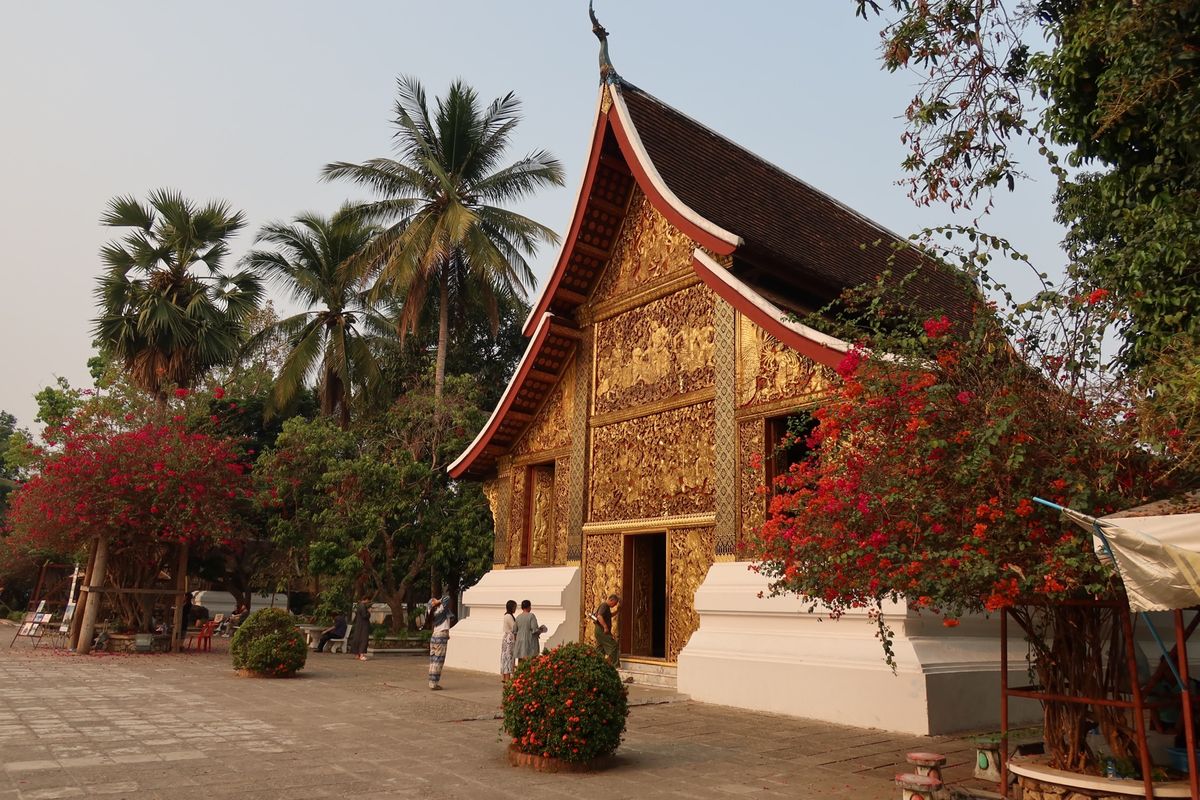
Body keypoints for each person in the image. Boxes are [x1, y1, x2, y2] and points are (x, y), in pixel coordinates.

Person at [427, 594, 455, 690]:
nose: (436, 600)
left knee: (433, 660)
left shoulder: (431, 611)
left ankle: (431, 681)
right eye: (434, 600)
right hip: (441, 636)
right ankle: (434, 683)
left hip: (435, 635)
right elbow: (447, 597)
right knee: (438, 661)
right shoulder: (441, 609)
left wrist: (435, 602)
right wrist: (438, 601)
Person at [592, 593, 621, 670]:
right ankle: (615, 666)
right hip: (601, 630)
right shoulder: (604, 605)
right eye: (614, 603)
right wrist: (605, 627)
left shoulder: (606, 607)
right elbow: (599, 616)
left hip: (599, 630)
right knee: (613, 645)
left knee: (600, 649)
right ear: (611, 600)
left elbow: (609, 615)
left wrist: (617, 611)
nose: (614, 605)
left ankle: (595, 665)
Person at [514, 599, 547, 665]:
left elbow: (514, 630)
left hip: (520, 640)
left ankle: (520, 674)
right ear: (529, 607)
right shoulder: (531, 616)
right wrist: (541, 630)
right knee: (530, 661)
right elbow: (534, 629)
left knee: (521, 660)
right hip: (529, 641)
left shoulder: (518, 617)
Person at [500, 600, 517, 685]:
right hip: (509, 639)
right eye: (514, 607)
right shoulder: (509, 616)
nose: (515, 609)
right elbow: (514, 628)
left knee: (506, 657)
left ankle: (504, 676)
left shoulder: (508, 616)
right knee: (508, 658)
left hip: (507, 638)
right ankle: (507, 678)